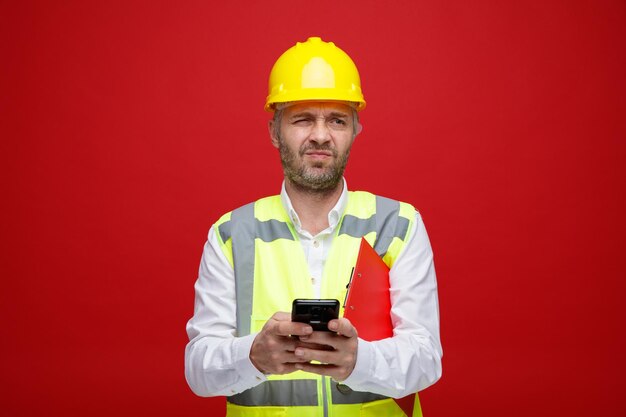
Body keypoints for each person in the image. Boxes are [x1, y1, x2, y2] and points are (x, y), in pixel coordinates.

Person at [185, 36, 442, 417]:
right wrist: (252, 355)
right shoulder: (230, 235)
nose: (320, 135)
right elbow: (198, 371)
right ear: (275, 131)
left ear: (355, 129)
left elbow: (426, 359)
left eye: (336, 120)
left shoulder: (399, 225)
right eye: (303, 118)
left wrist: (361, 360)